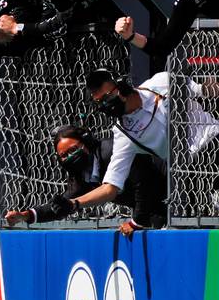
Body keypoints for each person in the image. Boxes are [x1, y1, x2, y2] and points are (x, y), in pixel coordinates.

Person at [48, 68, 219, 229]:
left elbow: (204, 90)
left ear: (121, 85)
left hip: (214, 140)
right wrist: (74, 204)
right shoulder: (123, 135)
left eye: (107, 96)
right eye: (99, 102)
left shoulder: (160, 82)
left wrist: (210, 85)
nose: (105, 104)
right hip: (188, 169)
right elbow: (111, 187)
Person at [3, 125, 166, 234]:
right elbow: (62, 206)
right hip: (155, 207)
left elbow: (143, 183)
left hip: (172, 189)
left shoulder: (110, 152)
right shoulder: (85, 175)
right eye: (64, 155)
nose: (70, 156)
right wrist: (25, 216)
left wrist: (136, 222)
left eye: (73, 149)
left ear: (86, 143)